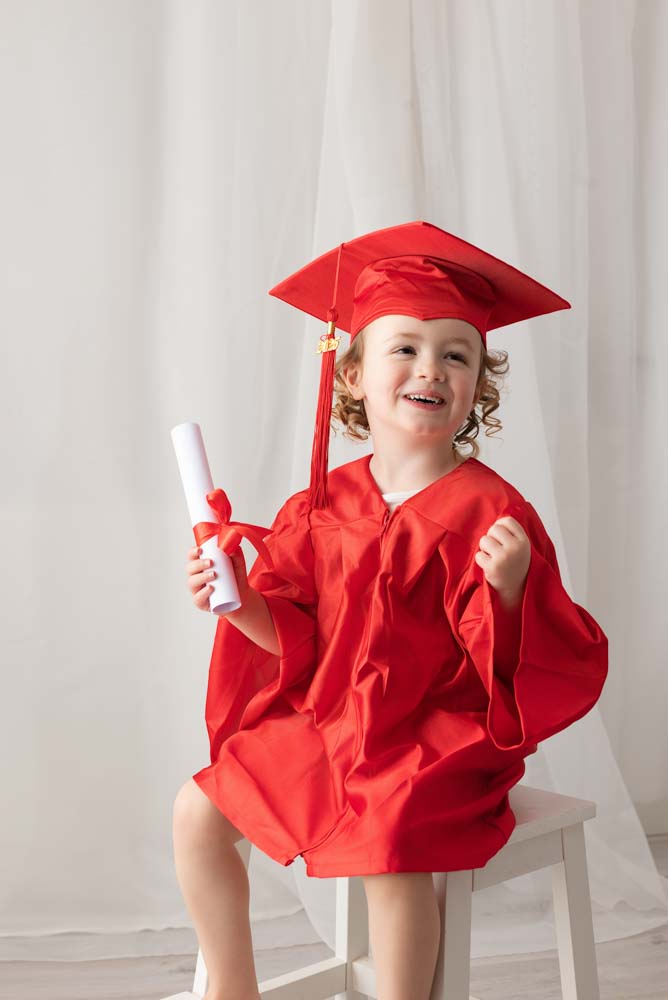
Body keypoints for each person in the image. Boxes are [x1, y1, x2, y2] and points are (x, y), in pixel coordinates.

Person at [173, 221, 609, 1000]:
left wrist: (510, 588)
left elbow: (528, 657)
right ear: (352, 376)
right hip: (330, 718)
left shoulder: (489, 509)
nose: (430, 367)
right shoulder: (320, 502)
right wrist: (235, 606)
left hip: (432, 733)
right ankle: (231, 988)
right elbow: (298, 638)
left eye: (455, 353)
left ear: (477, 385)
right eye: (403, 346)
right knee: (199, 809)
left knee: (390, 837)